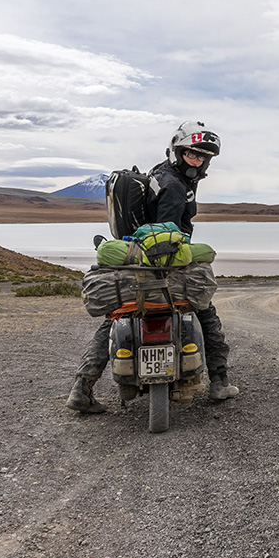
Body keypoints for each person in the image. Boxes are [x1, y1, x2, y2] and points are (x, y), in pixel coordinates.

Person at [66, 121, 239, 414]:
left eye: (201, 156)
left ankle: (82, 387)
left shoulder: (159, 174)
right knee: (206, 312)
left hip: (138, 260)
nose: (196, 161)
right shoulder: (173, 187)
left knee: (118, 315)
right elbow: (166, 235)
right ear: (177, 151)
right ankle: (219, 382)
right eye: (191, 154)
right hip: (163, 264)